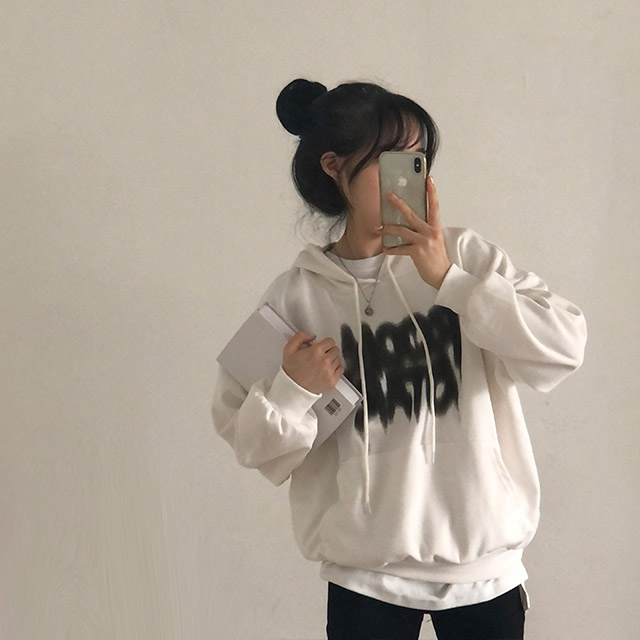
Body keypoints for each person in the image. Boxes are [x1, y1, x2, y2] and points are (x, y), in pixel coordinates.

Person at [211, 78, 587, 640]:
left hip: (486, 574)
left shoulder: (464, 256)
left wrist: (451, 281)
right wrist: (294, 389)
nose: (408, 176)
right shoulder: (297, 297)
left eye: (417, 160)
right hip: (365, 577)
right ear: (334, 166)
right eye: (390, 160)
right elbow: (252, 446)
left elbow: (564, 346)